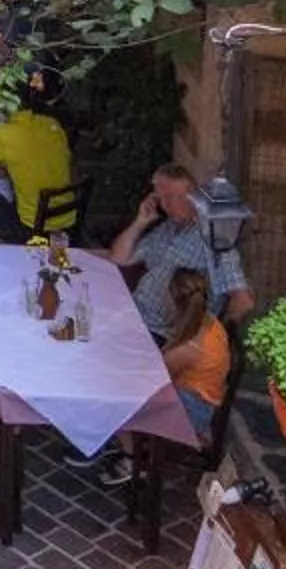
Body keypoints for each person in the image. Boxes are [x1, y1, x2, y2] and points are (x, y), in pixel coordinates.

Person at [109, 162, 252, 338]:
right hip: (135, 314)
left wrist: (212, 339)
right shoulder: (167, 228)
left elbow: (242, 301)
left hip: (164, 334)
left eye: (172, 196)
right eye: (161, 198)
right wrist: (140, 222)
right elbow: (118, 259)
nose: (166, 205)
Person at [0, 63, 73, 243]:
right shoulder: (54, 126)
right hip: (68, 217)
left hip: (32, 224)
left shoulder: (5, 133)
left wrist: (5, 170)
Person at [160, 265, 230, 438]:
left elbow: (157, 381)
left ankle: (129, 457)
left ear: (174, 301)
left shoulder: (187, 349)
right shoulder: (210, 321)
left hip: (193, 413)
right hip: (205, 401)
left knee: (129, 406)